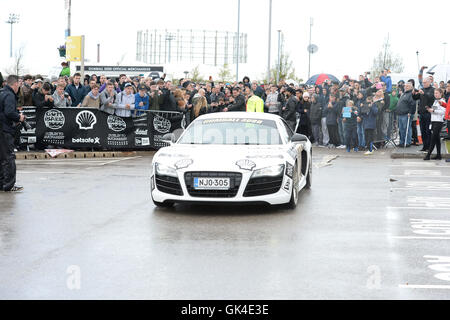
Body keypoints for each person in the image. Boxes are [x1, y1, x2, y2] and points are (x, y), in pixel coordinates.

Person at [0, 75, 25, 192]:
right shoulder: (9, 95)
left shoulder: (1, 92)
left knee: (2, 158)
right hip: (5, 130)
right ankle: (9, 185)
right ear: (15, 84)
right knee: (9, 158)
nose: (19, 87)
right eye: (18, 84)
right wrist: (19, 117)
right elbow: (9, 112)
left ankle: (2, 183)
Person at [413, 76, 435, 152]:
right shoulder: (422, 89)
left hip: (428, 113)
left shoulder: (432, 90)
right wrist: (414, 94)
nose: (424, 84)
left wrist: (424, 93)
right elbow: (416, 98)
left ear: (429, 82)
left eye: (425, 82)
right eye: (423, 82)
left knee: (428, 131)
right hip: (421, 113)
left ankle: (429, 147)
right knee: (422, 131)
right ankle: (424, 146)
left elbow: (431, 98)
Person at [424, 89, 447, 160]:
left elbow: (443, 112)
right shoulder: (435, 101)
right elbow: (434, 111)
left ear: (441, 93)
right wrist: (430, 110)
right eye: (435, 93)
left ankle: (428, 155)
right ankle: (439, 155)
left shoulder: (442, 101)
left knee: (433, 138)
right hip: (433, 121)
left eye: (437, 93)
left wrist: (433, 110)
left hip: (438, 122)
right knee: (437, 139)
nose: (435, 94)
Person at [395, 81, 416, 147]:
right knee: (401, 129)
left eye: (407, 86)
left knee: (406, 128)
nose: (406, 87)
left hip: (406, 114)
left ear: (411, 87)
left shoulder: (411, 94)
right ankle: (402, 141)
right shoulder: (404, 93)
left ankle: (407, 142)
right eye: (405, 86)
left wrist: (410, 112)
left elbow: (412, 104)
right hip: (400, 114)